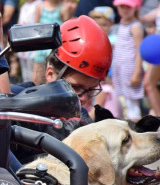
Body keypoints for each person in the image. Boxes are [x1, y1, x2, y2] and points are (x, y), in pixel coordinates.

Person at [11, 15, 113, 163]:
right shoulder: (19, 104)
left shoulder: (82, 119)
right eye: (76, 87)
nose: (84, 98)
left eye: (91, 90)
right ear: (51, 75)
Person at [111, 0, 144, 121]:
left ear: (135, 7)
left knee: (132, 104)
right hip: (119, 67)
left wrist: (137, 72)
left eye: (128, 7)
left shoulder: (135, 26)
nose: (124, 10)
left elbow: (139, 50)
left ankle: (135, 127)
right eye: (121, 6)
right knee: (123, 100)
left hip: (130, 67)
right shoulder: (121, 24)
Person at [32, 0, 70, 84]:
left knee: (54, 78)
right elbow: (36, 26)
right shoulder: (40, 6)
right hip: (41, 47)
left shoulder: (63, 8)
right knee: (37, 78)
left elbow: (66, 29)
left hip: (55, 48)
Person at [16, 0, 43, 83]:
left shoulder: (40, 4)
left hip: (34, 45)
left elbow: (38, 23)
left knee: (34, 74)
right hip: (23, 44)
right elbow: (19, 23)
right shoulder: (24, 7)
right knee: (25, 74)